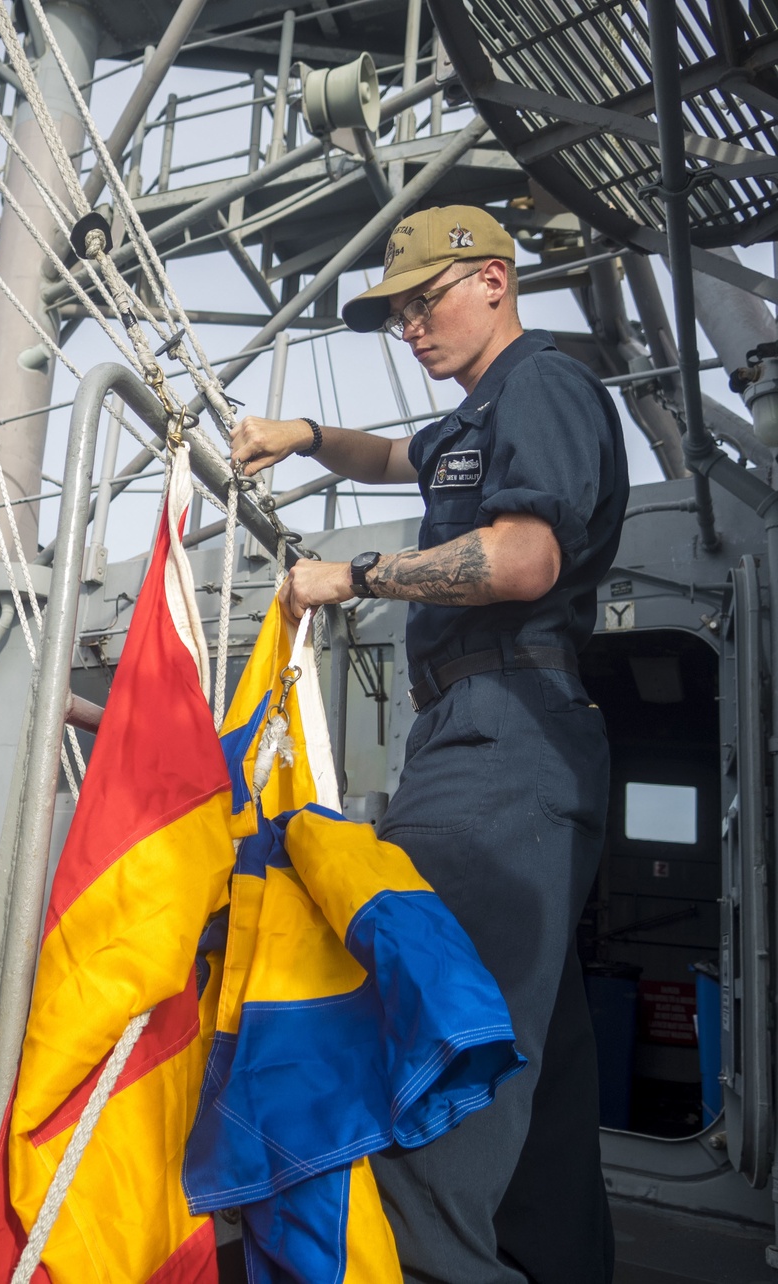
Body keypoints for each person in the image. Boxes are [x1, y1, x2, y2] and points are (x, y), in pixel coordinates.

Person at [230, 204, 629, 1284]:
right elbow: (397, 454)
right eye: (397, 312)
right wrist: (304, 435)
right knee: (527, 1055)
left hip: (498, 739)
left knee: (435, 1021)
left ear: (493, 280)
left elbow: (520, 560)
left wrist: (351, 578)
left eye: (424, 300)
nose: (410, 327)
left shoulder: (541, 385)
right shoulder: (482, 414)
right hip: (497, 735)